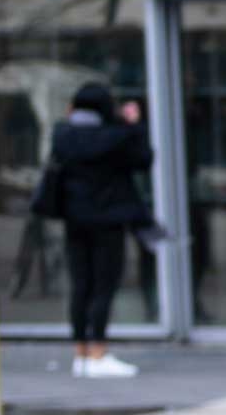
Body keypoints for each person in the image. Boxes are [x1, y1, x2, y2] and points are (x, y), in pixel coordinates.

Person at [41, 81, 153, 378]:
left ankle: (80, 351)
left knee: (81, 285)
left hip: (75, 219)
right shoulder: (117, 135)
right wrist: (132, 124)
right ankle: (98, 351)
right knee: (104, 285)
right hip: (108, 219)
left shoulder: (63, 134)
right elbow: (144, 159)